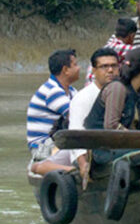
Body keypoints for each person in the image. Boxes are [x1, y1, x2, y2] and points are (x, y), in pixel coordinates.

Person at [31, 47, 120, 177]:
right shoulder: (82, 97)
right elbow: (76, 131)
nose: (110, 70)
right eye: (104, 67)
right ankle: (66, 170)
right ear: (94, 71)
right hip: (77, 148)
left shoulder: (73, 91)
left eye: (114, 66)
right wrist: (83, 163)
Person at [84, 47, 140, 164]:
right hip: (103, 150)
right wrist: (138, 139)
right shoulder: (117, 88)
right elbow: (111, 126)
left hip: (125, 145)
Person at [26, 49, 80, 162]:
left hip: (57, 142)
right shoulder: (52, 91)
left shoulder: (72, 91)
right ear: (65, 70)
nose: (79, 68)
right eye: (75, 65)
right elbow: (78, 116)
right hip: (43, 147)